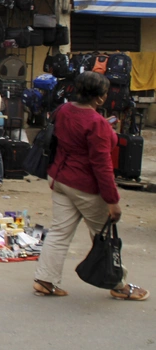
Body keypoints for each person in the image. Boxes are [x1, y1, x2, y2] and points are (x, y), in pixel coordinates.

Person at [33, 71, 149, 301]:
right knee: (103, 236)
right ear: (99, 98)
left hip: (59, 178)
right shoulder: (96, 123)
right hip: (84, 185)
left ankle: (46, 280)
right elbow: (102, 166)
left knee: (59, 231)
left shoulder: (64, 110)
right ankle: (119, 284)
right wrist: (113, 201)